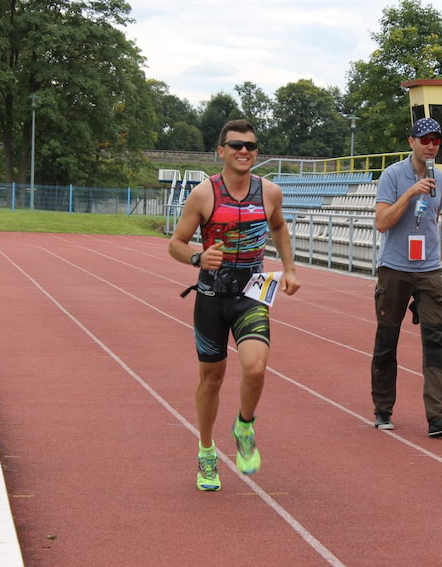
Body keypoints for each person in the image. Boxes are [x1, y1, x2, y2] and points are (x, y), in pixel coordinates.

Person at [168, 119, 301, 491]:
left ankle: (244, 425)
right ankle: (206, 452)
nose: (245, 151)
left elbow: (279, 227)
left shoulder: (270, 192)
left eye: (251, 146)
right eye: (237, 145)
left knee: (256, 369)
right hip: (211, 295)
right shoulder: (203, 194)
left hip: (253, 292)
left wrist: (289, 268)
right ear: (221, 151)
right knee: (211, 379)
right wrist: (197, 258)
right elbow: (176, 243)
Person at [370, 117, 442, 438]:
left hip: (428, 270)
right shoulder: (392, 175)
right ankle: (383, 408)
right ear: (411, 141)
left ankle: (440, 416)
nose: (431, 145)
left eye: (436, 140)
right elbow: (382, 222)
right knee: (387, 341)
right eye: (425, 140)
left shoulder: (440, 177)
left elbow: (431, 221)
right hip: (395, 269)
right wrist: (410, 193)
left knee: (436, 340)